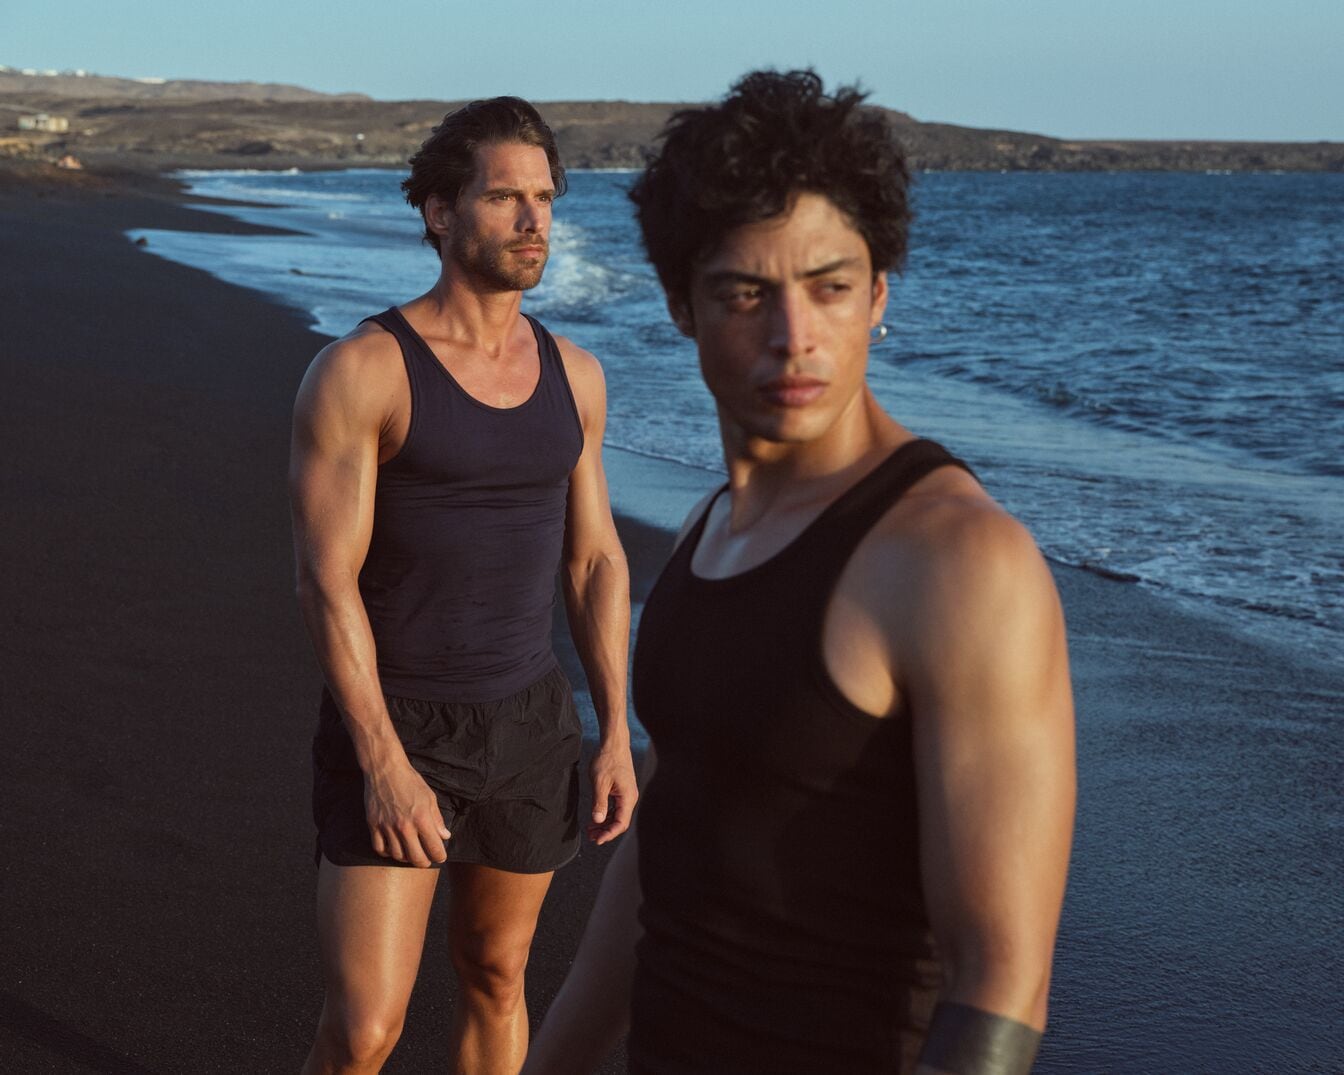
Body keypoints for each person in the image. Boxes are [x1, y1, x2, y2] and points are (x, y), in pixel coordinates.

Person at [524, 71, 1076, 1074]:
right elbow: (672, 839)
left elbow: (999, 978)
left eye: (830, 287)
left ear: (879, 295)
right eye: (746, 293)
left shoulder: (956, 561)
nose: (794, 338)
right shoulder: (711, 522)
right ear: (681, 307)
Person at [289, 96, 637, 1075]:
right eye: (504, 198)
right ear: (441, 212)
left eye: (545, 199)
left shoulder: (576, 375)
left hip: (531, 729)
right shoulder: (364, 370)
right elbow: (325, 582)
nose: (533, 221)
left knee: (494, 977)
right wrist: (383, 761)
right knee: (364, 1031)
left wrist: (614, 728)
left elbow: (596, 558)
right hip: (403, 726)